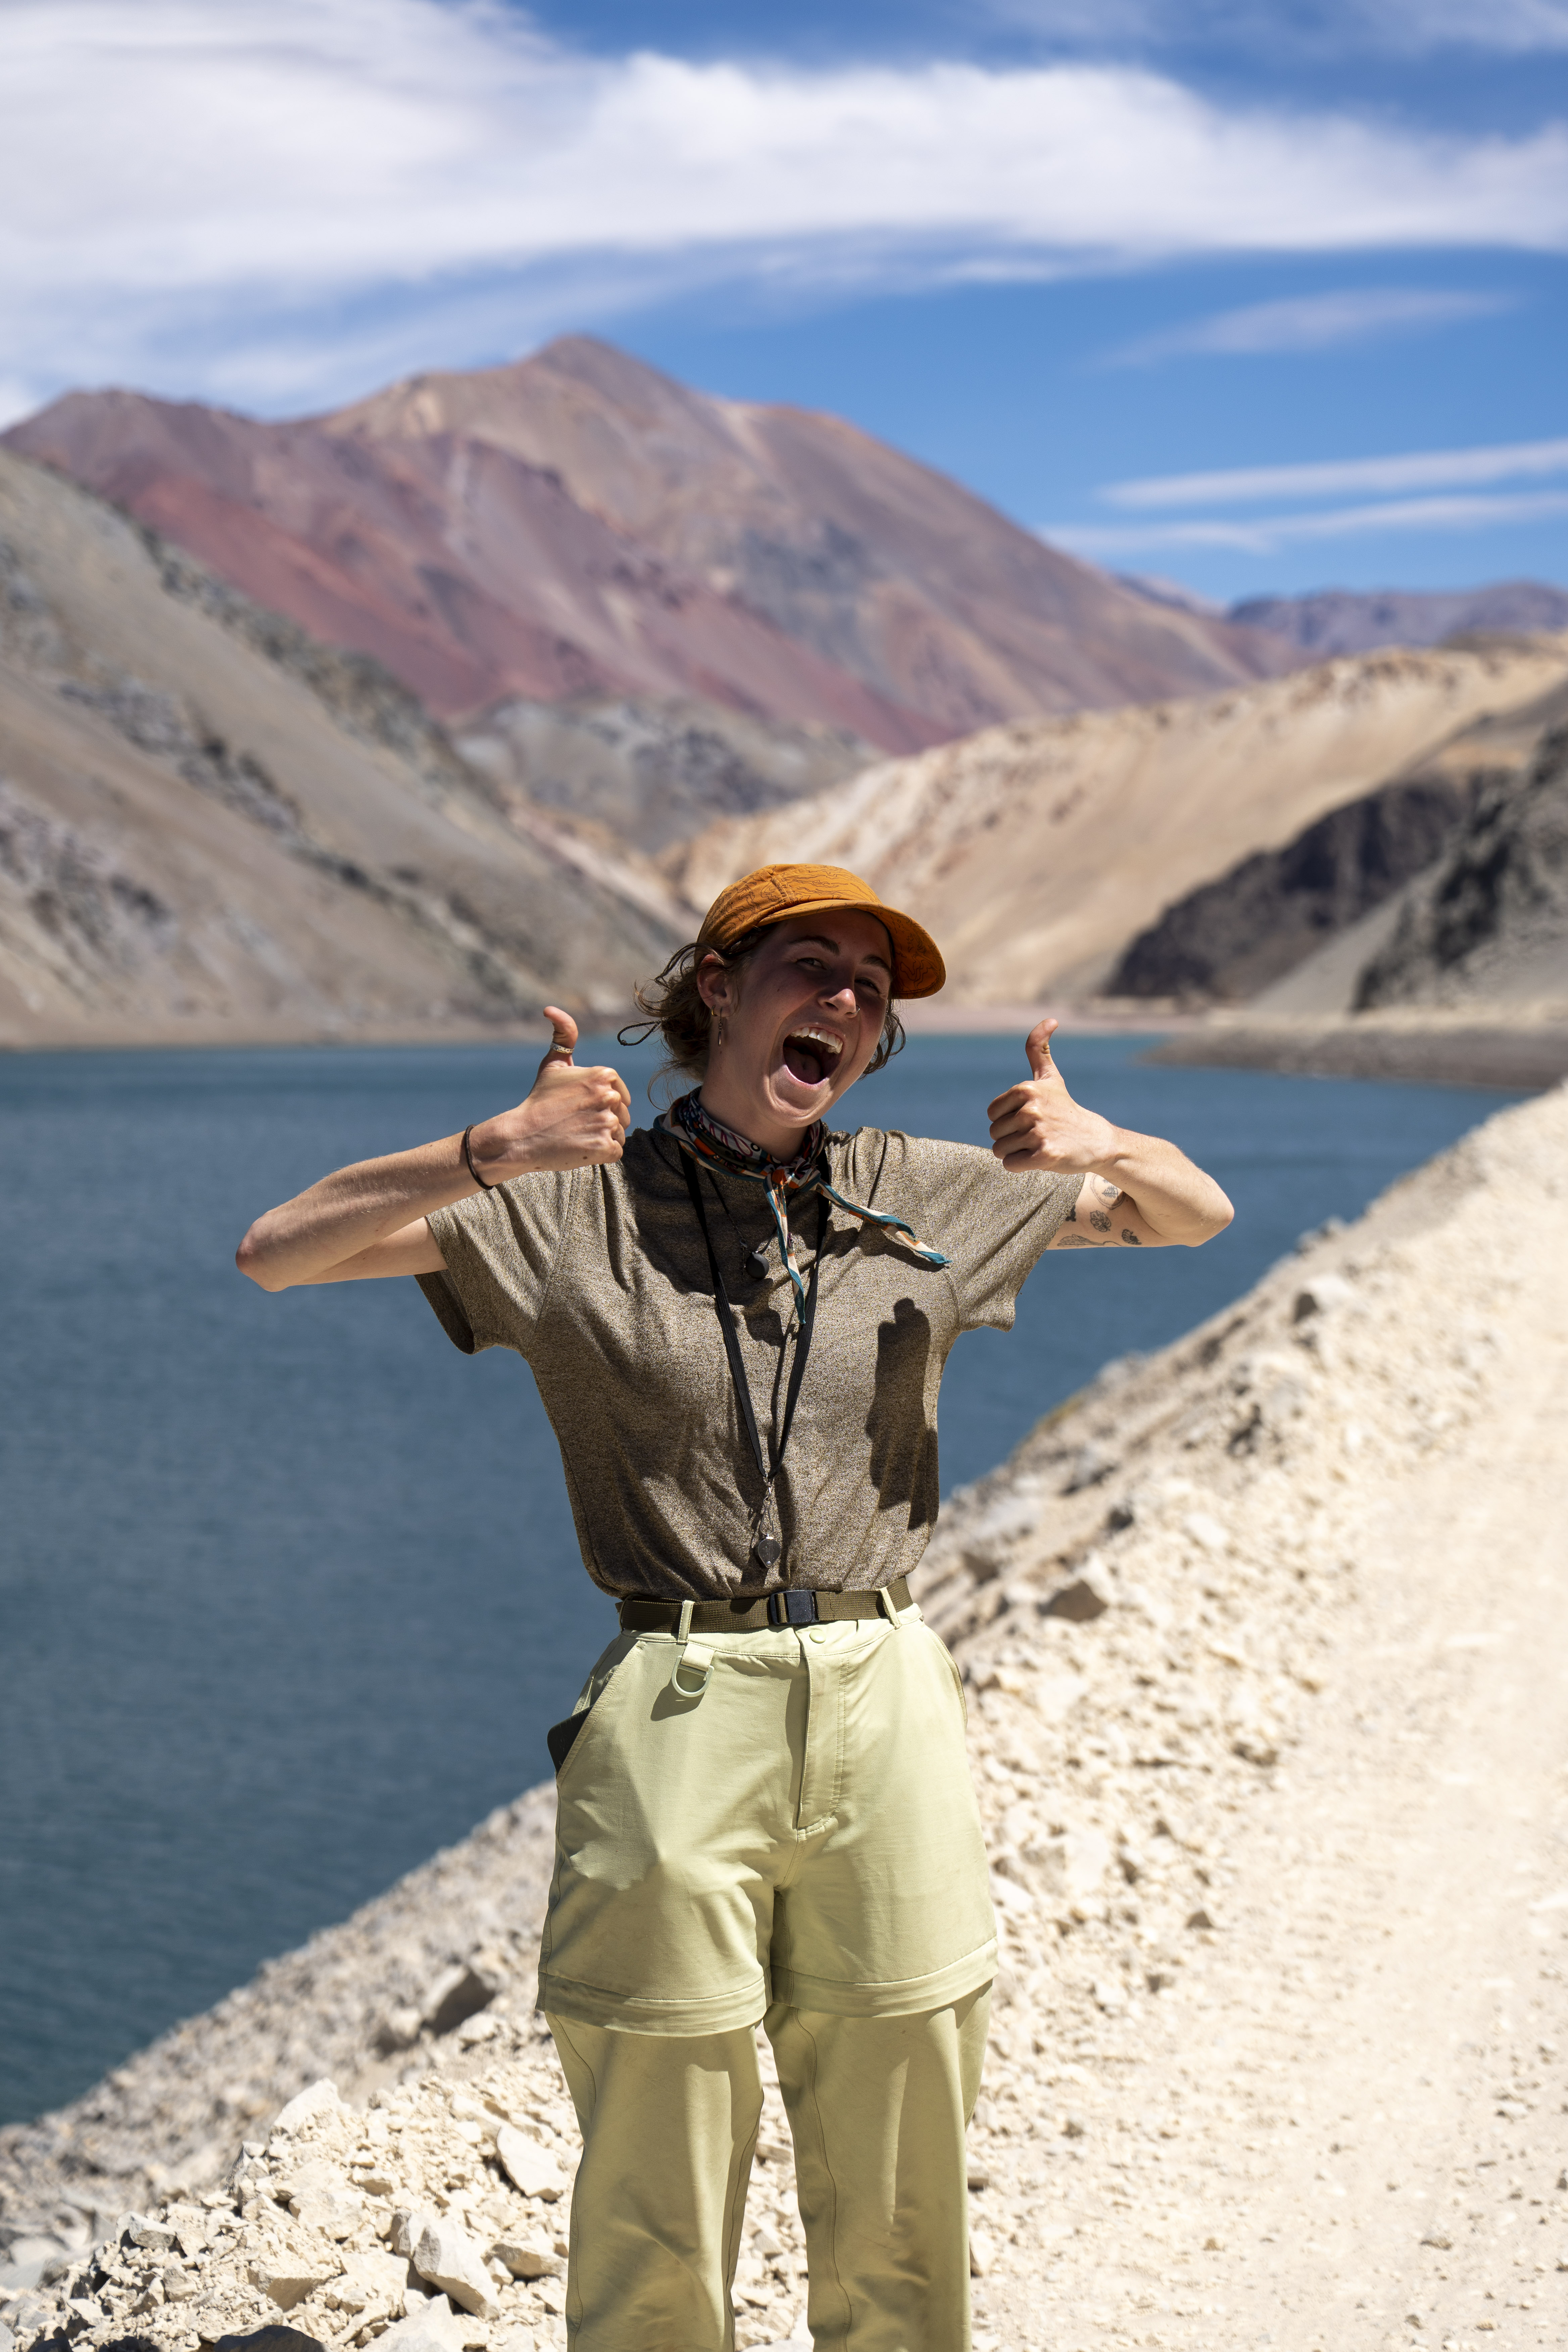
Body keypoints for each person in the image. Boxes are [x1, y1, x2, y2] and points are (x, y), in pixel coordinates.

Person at [237, 862, 1233, 2352]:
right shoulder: (570, 1209)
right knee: (657, 2147)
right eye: (810, 966)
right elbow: (277, 1252)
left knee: (904, 2150)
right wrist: (488, 1147)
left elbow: (1191, 1215)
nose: (844, 999)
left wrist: (1104, 1140)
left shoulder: (912, 1190)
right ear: (717, 986)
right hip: (676, 1699)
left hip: (884, 1685)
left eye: (872, 989)